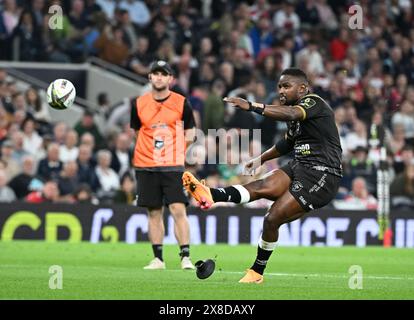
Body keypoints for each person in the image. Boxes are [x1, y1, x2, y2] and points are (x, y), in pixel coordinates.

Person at [183, 68, 343, 283]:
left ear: (303, 88)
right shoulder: (294, 115)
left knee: (272, 218)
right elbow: (286, 143)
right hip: (300, 165)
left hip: (323, 174)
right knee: (261, 187)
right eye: (279, 87)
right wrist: (261, 159)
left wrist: (251, 106)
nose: (281, 91)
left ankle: (257, 272)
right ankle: (211, 194)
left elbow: (292, 113)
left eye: (287, 86)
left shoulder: (314, 103)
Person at [130, 60, 196, 270]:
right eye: (155, 74)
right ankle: (158, 259)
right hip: (146, 165)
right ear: (150, 77)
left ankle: (185, 257)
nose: (159, 77)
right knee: (154, 212)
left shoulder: (181, 102)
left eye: (163, 74)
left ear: (170, 79)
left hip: (172, 165)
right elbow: (137, 132)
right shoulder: (139, 103)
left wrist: (175, 149)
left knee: (178, 209)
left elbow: (192, 133)